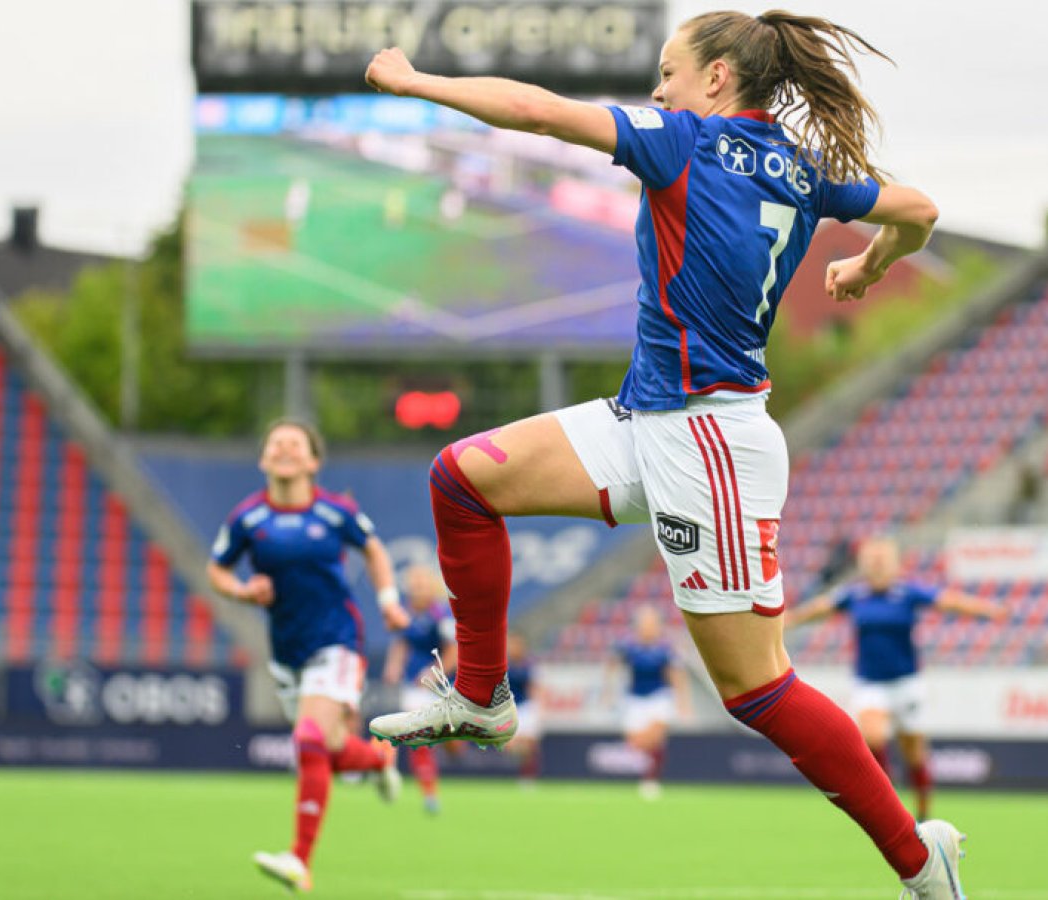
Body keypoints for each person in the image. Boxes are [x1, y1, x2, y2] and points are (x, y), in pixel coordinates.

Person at [365, 11, 967, 896]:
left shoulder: (683, 141)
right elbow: (918, 211)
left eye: (668, 72)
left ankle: (921, 863)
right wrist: (868, 268)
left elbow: (536, 110)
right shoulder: (804, 167)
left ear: (718, 77)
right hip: (647, 416)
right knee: (462, 478)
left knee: (757, 692)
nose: (657, 90)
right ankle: (483, 697)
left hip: (709, 438)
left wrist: (417, 83)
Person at [207, 418, 411, 893]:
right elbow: (217, 569)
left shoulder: (335, 512)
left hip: (336, 639)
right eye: (275, 443)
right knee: (325, 750)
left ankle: (299, 860)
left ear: (313, 462)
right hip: (287, 651)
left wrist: (388, 602)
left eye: (294, 444)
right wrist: (241, 590)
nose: (284, 449)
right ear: (263, 459)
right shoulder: (247, 519)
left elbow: (375, 550)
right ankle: (379, 761)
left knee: (310, 738)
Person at [787, 537, 1007, 820]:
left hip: (906, 682)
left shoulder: (908, 593)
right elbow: (820, 608)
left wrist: (987, 609)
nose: (877, 566)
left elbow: (948, 602)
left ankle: (924, 812)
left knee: (913, 751)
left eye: (883, 560)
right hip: (870, 682)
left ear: (894, 564)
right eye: (872, 560)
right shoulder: (854, 596)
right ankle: (890, 806)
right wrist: (790, 618)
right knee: (874, 737)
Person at [381, 564, 458, 814]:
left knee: (453, 742)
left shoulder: (441, 614)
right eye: (413, 585)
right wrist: (393, 666)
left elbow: (454, 651)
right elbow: (402, 643)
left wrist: (434, 672)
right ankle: (429, 793)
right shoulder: (405, 613)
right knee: (419, 737)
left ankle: (451, 741)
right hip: (416, 685)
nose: (416, 589)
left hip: (443, 683)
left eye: (421, 584)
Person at [607, 605, 691, 799]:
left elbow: (676, 675)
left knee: (656, 736)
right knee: (636, 742)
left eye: (652, 624)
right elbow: (612, 665)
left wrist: (682, 702)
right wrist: (609, 692)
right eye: (645, 624)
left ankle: (651, 780)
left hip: (659, 696)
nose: (648, 628)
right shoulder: (627, 646)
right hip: (634, 698)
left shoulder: (665, 648)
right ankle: (646, 771)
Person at [505, 631, 544, 787]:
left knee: (530, 743)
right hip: (509, 709)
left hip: (526, 707)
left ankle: (528, 777)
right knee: (511, 746)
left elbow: (535, 687)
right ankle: (525, 763)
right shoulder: (502, 665)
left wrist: (539, 707)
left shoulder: (529, 665)